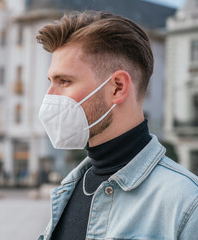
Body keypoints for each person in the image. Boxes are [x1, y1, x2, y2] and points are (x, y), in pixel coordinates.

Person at [36, 10, 198, 240]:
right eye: (50, 82)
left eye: (64, 81)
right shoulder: (69, 189)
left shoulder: (187, 204)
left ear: (118, 87)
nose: (50, 96)